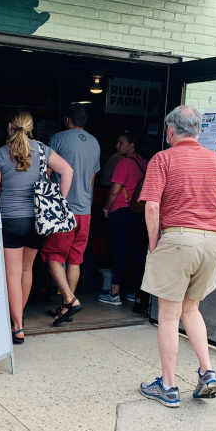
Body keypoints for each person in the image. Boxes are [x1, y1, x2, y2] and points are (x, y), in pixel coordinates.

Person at [138, 105, 216, 408]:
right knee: (191, 309)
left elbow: (151, 207)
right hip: (213, 240)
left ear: (170, 131)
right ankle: (207, 372)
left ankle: (169, 386)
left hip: (178, 238)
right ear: (199, 131)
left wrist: (153, 243)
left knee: (170, 314)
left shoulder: (163, 158)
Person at [0, 109, 73, 344]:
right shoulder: (42, 150)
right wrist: (60, 201)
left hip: (9, 220)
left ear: (10, 127)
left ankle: (17, 326)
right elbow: (67, 170)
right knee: (26, 271)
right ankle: (20, 317)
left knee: (12, 273)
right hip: (37, 221)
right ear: (30, 128)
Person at [42, 103, 101, 325]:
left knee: (52, 256)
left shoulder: (58, 139)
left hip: (63, 209)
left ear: (67, 119)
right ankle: (67, 308)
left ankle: (69, 300)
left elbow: (47, 174)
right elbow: (92, 179)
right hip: (85, 210)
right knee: (75, 259)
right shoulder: (95, 143)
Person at [99, 131, 148, 306]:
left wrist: (105, 208)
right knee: (137, 253)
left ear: (131, 145)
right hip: (139, 213)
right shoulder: (146, 163)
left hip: (120, 210)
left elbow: (114, 191)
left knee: (118, 252)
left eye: (121, 143)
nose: (117, 146)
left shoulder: (124, 163)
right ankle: (136, 292)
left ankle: (114, 294)